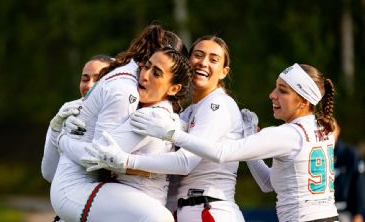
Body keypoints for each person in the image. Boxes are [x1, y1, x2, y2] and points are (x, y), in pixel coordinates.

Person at [88, 63, 340, 221]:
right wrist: (251, 137)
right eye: (276, 87)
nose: (272, 95)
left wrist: (171, 134)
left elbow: (221, 153)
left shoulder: (286, 134)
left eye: (283, 91)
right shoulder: (322, 129)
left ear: (305, 101)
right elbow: (268, 183)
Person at [86, 35, 246, 222]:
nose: (203, 63)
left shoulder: (217, 104)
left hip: (209, 209)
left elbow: (185, 162)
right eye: (198, 55)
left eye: (213, 59)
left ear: (224, 72)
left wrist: (126, 162)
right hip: (190, 208)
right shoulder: (189, 111)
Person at [47, 24, 190, 222]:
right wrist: (58, 134)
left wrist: (61, 139)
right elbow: (100, 159)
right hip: (84, 193)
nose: (145, 75)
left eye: (157, 73)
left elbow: (99, 157)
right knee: (158, 218)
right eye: (147, 65)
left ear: (174, 87)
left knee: (158, 217)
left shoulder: (155, 113)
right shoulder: (133, 95)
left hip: (102, 196)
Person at [41, 54, 113, 183]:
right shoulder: (69, 110)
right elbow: (49, 173)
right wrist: (55, 131)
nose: (89, 85)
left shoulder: (124, 112)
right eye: (85, 79)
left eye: (98, 79)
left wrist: (62, 141)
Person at [334, 122, 365, 222]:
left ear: (338, 130)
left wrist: (358, 213)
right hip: (319, 212)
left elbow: (358, 184)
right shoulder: (315, 153)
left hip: (344, 212)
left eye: (331, 130)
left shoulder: (350, 154)